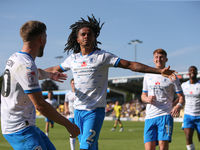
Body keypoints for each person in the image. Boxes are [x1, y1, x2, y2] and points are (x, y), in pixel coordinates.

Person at [45, 15, 177, 150]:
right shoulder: (72, 59)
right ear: (77, 39)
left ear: (94, 38)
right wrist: (33, 73)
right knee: (91, 146)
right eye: (83, 34)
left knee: (85, 147)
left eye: (89, 34)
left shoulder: (103, 56)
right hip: (78, 111)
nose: (86, 36)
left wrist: (158, 71)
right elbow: (53, 69)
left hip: (94, 111)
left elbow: (130, 64)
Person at [0, 20, 80, 150]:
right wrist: (68, 125)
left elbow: (30, 73)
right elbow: (40, 105)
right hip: (19, 128)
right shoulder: (26, 65)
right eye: (46, 37)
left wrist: (50, 75)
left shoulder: (16, 57)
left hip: (26, 125)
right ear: (41, 39)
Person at [141, 49, 185, 150]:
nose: (159, 59)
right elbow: (143, 95)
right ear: (153, 60)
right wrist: (146, 99)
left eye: (161, 57)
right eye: (156, 57)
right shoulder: (147, 76)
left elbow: (181, 97)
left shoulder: (173, 76)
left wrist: (179, 106)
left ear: (166, 59)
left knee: (163, 148)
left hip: (164, 115)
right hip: (149, 116)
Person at [177, 66, 200, 150]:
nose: (192, 71)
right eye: (191, 70)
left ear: (197, 73)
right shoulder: (184, 85)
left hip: (199, 116)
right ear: (188, 73)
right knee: (188, 137)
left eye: (194, 70)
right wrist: (174, 105)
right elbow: (180, 97)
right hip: (188, 115)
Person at [64, 78, 77, 150]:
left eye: (75, 83)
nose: (73, 84)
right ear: (70, 84)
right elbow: (66, 102)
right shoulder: (68, 94)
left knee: (81, 133)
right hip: (71, 116)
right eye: (72, 83)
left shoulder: (79, 93)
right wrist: (66, 109)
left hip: (78, 115)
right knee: (72, 133)